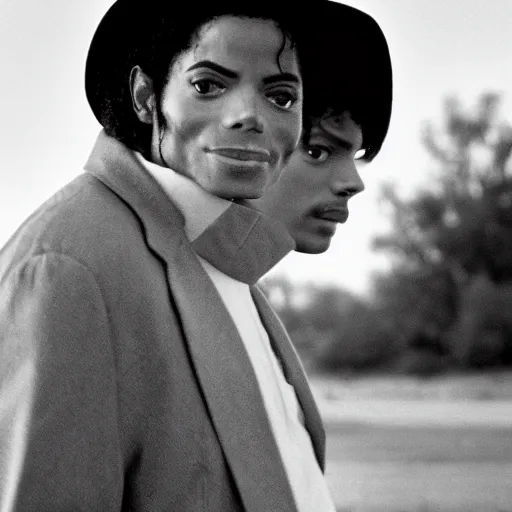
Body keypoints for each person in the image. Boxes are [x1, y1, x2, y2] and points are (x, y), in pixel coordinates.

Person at [0, 1, 335, 511]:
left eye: (281, 96)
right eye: (207, 86)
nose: (251, 115)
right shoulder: (66, 267)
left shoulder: (223, 255)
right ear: (144, 96)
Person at [251, 0, 393, 255]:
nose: (353, 183)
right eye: (317, 151)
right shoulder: (160, 283)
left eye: (356, 154)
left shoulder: (238, 291)